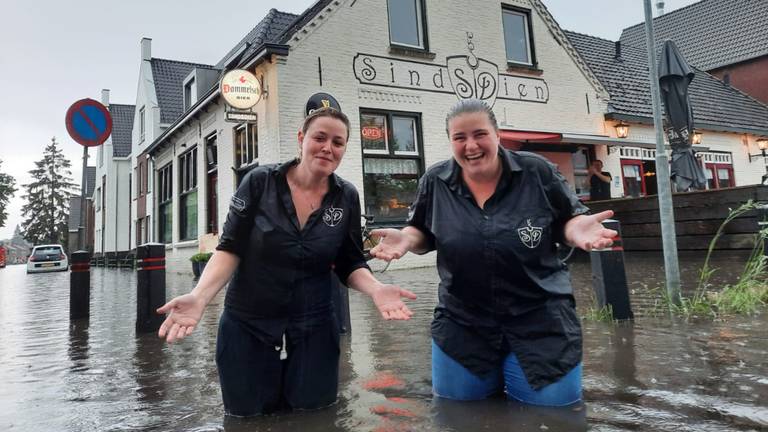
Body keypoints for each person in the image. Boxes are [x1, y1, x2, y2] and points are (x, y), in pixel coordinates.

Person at [156, 99, 417, 417]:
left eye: (338, 142)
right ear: (301, 139)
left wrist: (376, 289)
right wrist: (199, 297)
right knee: (246, 415)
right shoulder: (258, 182)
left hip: (315, 320)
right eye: (319, 138)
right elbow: (230, 248)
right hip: (249, 318)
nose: (327, 148)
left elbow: (349, 261)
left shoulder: (346, 195)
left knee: (316, 414)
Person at [370, 98, 615, 406]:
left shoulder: (536, 172)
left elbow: (567, 220)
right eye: (460, 137)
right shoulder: (435, 181)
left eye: (479, 134)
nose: (470, 145)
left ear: (497, 135)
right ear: (451, 142)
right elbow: (422, 231)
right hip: (464, 321)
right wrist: (406, 239)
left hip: (541, 318)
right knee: (458, 415)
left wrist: (575, 229)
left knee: (557, 416)